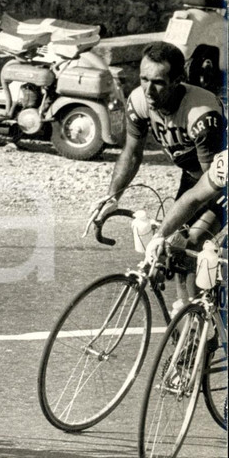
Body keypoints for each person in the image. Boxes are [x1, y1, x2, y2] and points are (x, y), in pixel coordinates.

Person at [91, 41, 225, 303]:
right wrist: (112, 197)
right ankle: (186, 315)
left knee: (189, 243)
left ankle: (200, 323)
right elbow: (131, 154)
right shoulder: (140, 100)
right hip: (193, 177)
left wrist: (167, 232)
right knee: (172, 249)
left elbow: (206, 190)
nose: (148, 89)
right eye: (144, 79)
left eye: (159, 82)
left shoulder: (201, 115)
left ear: (178, 80)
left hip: (219, 182)